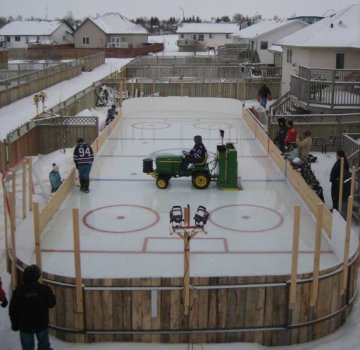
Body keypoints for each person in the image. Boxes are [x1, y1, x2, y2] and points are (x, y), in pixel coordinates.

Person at [9, 264, 56, 350]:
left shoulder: (18, 292)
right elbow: (51, 304)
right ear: (37, 276)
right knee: (44, 347)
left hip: (25, 326)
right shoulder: (45, 289)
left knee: (27, 348)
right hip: (41, 324)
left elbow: (13, 310)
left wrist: (14, 324)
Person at [330, 150, 351, 217]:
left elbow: (343, 174)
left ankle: (336, 211)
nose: (336, 156)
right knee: (334, 196)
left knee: (336, 197)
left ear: (339, 155)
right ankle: (334, 209)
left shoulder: (343, 163)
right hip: (335, 182)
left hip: (338, 183)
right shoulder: (339, 161)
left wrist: (337, 180)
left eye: (337, 155)